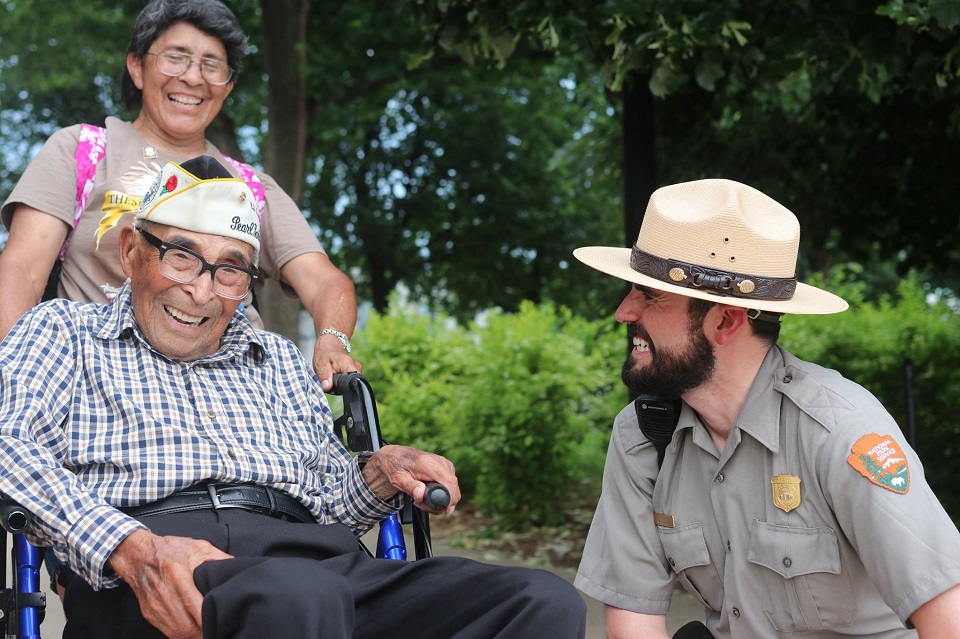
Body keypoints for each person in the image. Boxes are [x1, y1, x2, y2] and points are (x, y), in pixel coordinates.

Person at [0, 155, 587, 639]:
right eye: (181, 256)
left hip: (321, 566)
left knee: (540, 601)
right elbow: (8, 446)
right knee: (301, 595)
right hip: (160, 577)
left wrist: (381, 473)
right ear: (131, 251)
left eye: (230, 272)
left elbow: (330, 501)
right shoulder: (63, 332)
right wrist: (132, 549)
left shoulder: (277, 358)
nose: (202, 292)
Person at [571, 178, 960, 638]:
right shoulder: (642, 436)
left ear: (725, 321)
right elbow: (632, 624)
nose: (624, 311)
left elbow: (949, 616)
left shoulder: (839, 429)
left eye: (650, 296)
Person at [0, 0, 358, 391]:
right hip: (101, 386)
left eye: (212, 65)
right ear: (137, 66)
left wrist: (332, 338)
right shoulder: (83, 151)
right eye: (176, 57)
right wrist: (20, 375)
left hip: (231, 391)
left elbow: (326, 283)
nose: (192, 77)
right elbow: (22, 269)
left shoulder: (250, 188)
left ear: (228, 86)